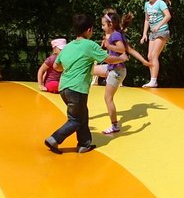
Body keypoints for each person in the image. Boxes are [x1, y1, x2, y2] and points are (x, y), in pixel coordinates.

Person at [44, 13, 127, 154]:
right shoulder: (89, 45)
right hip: (77, 89)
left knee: (82, 114)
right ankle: (54, 139)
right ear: (89, 30)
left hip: (64, 87)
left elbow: (57, 66)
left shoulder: (69, 46)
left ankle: (84, 144)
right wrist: (121, 58)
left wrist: (71, 66)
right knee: (75, 120)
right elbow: (107, 59)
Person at [94, 9, 144, 134]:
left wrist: (108, 46)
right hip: (112, 68)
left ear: (110, 25)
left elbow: (122, 49)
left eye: (103, 25)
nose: (102, 27)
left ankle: (114, 125)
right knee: (91, 69)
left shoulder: (115, 35)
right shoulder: (112, 34)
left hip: (116, 71)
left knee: (108, 98)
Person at [140, 0, 171, 88]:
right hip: (152, 33)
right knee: (149, 56)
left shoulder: (160, 3)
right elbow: (146, 20)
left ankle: (154, 80)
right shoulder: (146, 5)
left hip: (162, 31)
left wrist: (158, 25)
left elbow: (168, 16)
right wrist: (144, 34)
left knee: (154, 55)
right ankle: (152, 80)